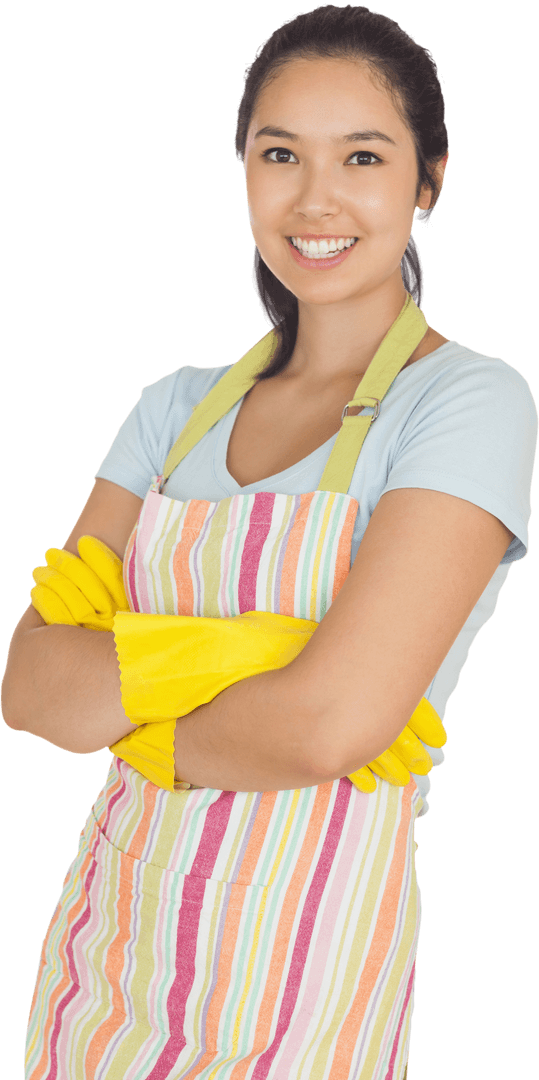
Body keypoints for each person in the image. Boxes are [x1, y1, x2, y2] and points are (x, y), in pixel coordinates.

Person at [3, 5, 536, 1078]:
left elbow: (328, 726)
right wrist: (258, 653)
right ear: (243, 171)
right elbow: (29, 685)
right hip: (101, 957)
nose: (315, 197)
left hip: (300, 976)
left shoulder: (467, 402)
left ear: (426, 179)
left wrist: (139, 706)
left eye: (363, 156)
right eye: (279, 153)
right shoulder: (172, 408)